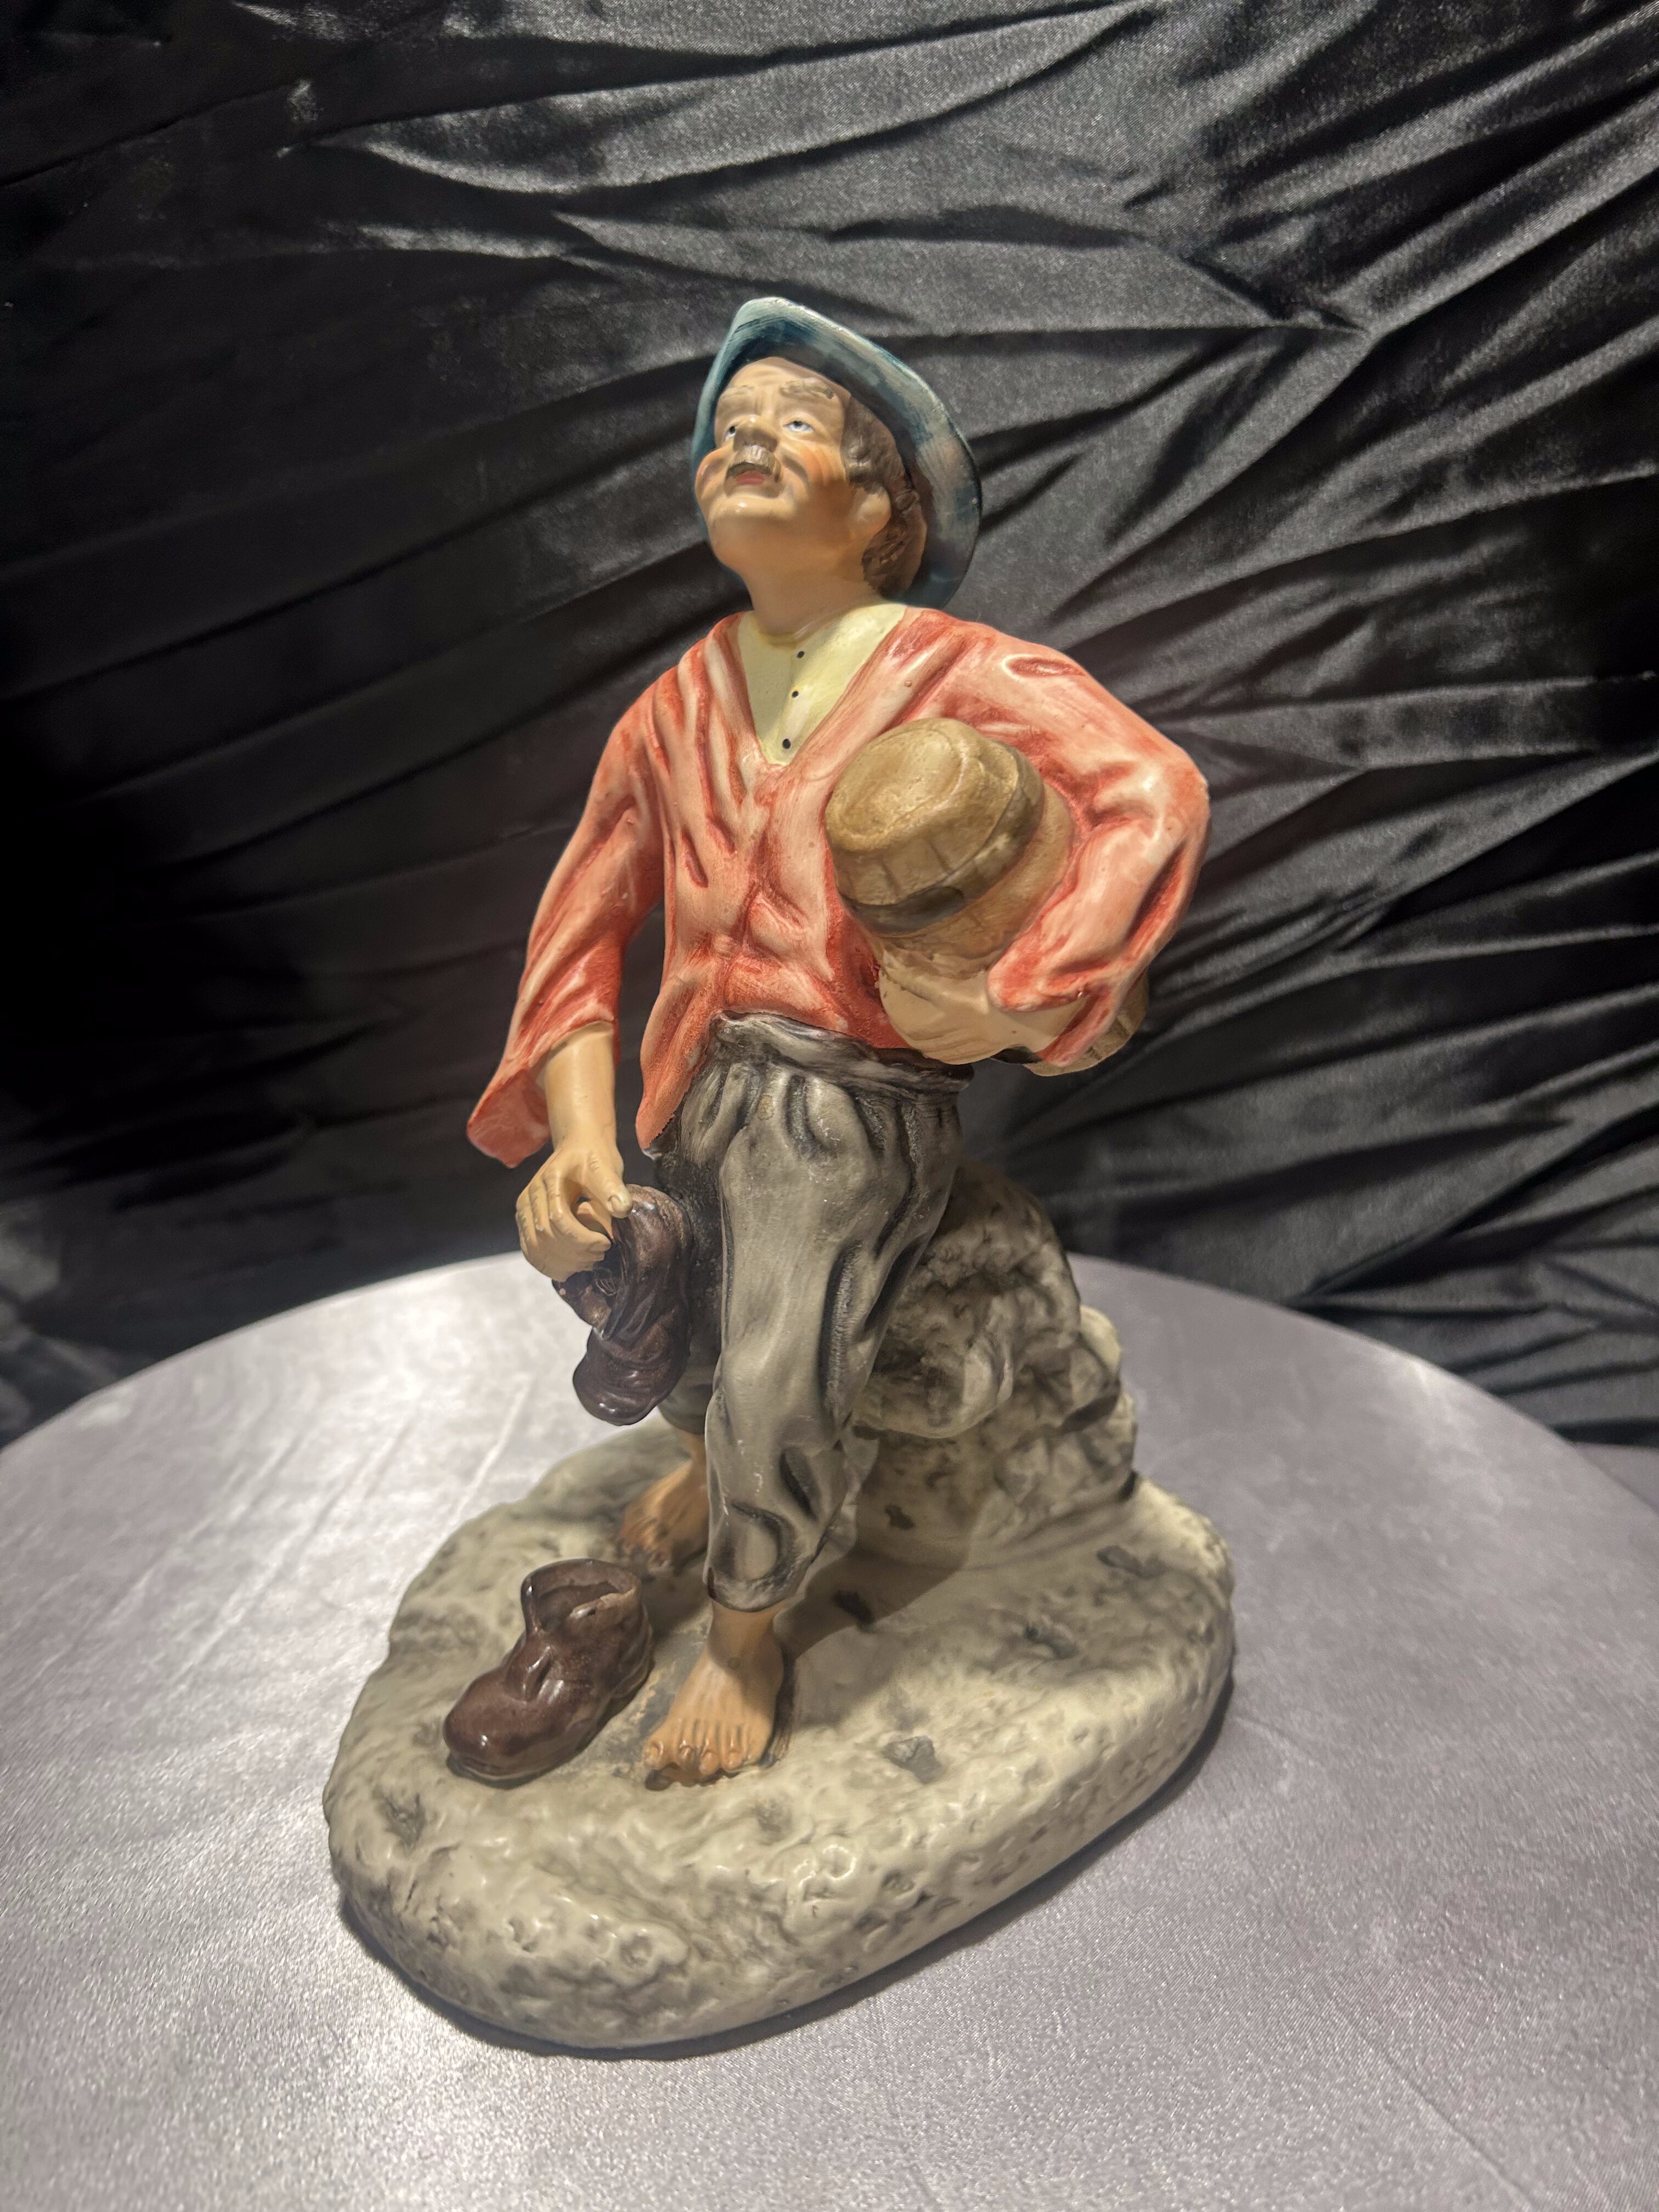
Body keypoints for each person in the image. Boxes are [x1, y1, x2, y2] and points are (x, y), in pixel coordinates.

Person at [468, 298, 1209, 1784]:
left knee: (779, 1357)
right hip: (692, 1086)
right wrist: (584, 1130)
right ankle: (707, 1470)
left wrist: (1029, 986)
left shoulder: (956, 669)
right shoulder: (670, 710)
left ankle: (747, 1633)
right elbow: (577, 927)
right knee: (673, 1319)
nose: (742, 444)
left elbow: (1151, 790)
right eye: (726, 431)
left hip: (847, 1097)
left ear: (882, 505)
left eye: (790, 427)